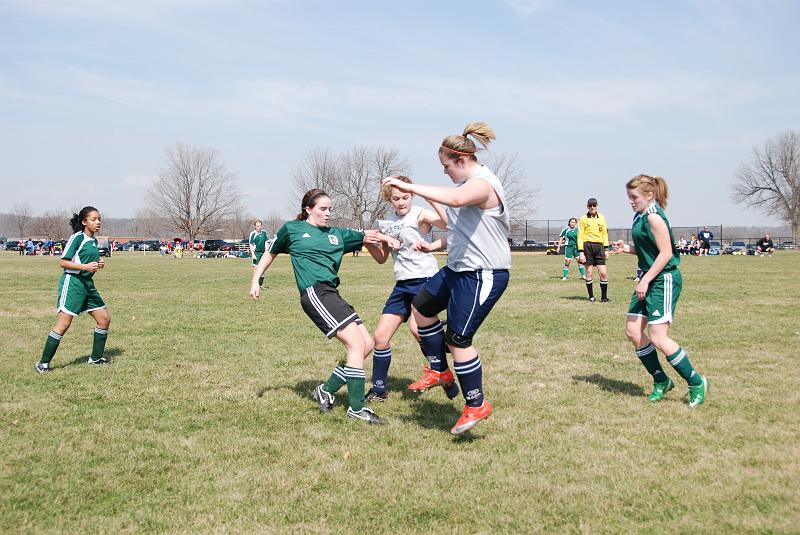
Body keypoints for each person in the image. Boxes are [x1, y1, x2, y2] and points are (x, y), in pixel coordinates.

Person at [381, 121, 511, 435]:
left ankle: (476, 403)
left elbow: (453, 201)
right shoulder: (465, 189)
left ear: (462, 160)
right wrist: (435, 244)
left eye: (445, 166)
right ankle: (439, 369)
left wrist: (409, 187)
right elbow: (461, 233)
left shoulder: (483, 183)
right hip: (456, 270)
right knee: (422, 309)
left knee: (459, 339)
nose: (444, 172)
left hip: (483, 274)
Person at [250, 189, 400, 425]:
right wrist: (255, 278)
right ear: (308, 209)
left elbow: (367, 234)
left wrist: (386, 238)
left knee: (367, 344)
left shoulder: (337, 234)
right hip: (314, 292)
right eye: (323, 208)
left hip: (332, 293)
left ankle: (326, 390)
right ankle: (356, 408)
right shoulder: (293, 229)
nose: (328, 213)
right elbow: (271, 252)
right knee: (356, 343)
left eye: (330, 209)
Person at [613, 175, 708, 406]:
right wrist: (626, 248)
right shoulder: (640, 216)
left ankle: (696, 382)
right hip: (649, 277)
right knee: (633, 332)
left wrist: (645, 280)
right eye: (628, 197)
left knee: (657, 336)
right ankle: (661, 380)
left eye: (634, 197)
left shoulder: (654, 217)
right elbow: (650, 250)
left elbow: (666, 253)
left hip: (662, 279)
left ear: (649, 194)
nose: (630, 201)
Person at [364, 176, 450, 402]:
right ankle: (379, 389)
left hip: (425, 279)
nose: (401, 202)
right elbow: (382, 258)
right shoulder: (386, 224)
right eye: (396, 198)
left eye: (405, 197)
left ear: (411, 195)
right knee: (380, 337)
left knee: (417, 329)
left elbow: (447, 225)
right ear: (389, 199)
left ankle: (442, 373)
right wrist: (370, 243)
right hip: (402, 285)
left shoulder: (420, 215)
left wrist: (434, 203)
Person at [35, 206, 111, 372]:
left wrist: (99, 263)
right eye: (93, 219)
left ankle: (96, 359)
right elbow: (63, 262)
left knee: (104, 319)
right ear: (84, 222)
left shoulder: (94, 241)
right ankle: (43, 363)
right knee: (64, 324)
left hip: (87, 284)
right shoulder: (77, 238)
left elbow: (90, 262)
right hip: (73, 283)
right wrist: (85, 267)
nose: (98, 222)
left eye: (99, 219)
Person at [577, 198, 610, 302]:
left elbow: (604, 233)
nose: (592, 207)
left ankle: (604, 297)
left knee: (603, 273)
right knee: (589, 273)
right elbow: (580, 235)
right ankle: (591, 297)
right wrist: (581, 252)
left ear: (597, 206)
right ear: (587, 206)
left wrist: (606, 249)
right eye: (590, 205)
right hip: (587, 246)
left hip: (599, 247)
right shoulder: (583, 218)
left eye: (594, 205)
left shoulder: (602, 217)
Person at [248, 219, 270, 287]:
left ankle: (260, 285)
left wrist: (267, 251)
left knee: (263, 268)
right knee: (256, 269)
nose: (259, 227)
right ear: (255, 226)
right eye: (257, 226)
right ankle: (255, 284)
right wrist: (253, 254)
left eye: (260, 226)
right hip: (256, 253)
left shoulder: (264, 232)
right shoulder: (253, 234)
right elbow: (251, 244)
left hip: (263, 253)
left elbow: (266, 241)